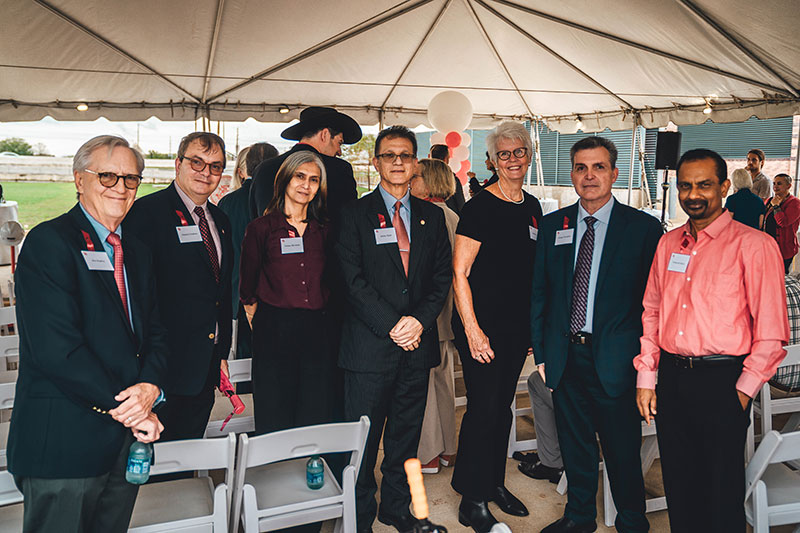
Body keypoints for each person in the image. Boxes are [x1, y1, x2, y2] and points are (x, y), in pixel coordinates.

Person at [9, 135, 166, 532]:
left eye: (131, 179)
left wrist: (150, 386)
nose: (121, 187)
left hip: (125, 446)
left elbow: (158, 333)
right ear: (80, 180)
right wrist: (131, 409)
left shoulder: (139, 251)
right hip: (64, 443)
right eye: (108, 176)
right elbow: (56, 350)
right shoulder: (49, 242)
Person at [634, 148, 789, 533]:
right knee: (680, 487)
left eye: (704, 184)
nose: (693, 194)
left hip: (724, 381)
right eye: (685, 186)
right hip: (672, 377)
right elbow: (652, 312)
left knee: (720, 493)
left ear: (724, 187)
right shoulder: (668, 244)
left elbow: (771, 332)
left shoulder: (754, 245)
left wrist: (742, 391)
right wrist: (647, 377)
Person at [531, 136, 661, 533]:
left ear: (614, 174)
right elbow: (541, 293)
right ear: (571, 174)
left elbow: (656, 303)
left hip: (618, 362)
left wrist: (646, 365)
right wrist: (541, 353)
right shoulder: (555, 225)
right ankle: (579, 517)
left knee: (622, 448)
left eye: (599, 167)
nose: (590, 176)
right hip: (565, 356)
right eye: (581, 168)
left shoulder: (642, 229)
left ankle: (633, 521)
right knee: (575, 445)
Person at [335, 126, 451, 533]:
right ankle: (360, 519)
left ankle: (401, 511)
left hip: (416, 348)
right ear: (376, 161)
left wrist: (417, 321)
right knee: (363, 445)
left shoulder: (432, 217)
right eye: (389, 155)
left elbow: (441, 279)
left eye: (405, 155)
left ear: (415, 163)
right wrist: (393, 325)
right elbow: (350, 281)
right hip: (368, 349)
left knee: (406, 439)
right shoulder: (351, 214)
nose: (398, 162)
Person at [451, 121, 543, 533]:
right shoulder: (479, 207)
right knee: (483, 409)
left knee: (501, 408)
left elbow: (530, 273)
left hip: (514, 329)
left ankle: (494, 483)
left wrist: (530, 331)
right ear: (492, 160)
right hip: (481, 328)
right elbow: (459, 272)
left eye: (518, 151)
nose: (511, 160)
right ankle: (472, 499)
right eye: (503, 154)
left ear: (529, 155)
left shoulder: (533, 206)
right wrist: (472, 330)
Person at [125, 132, 233, 443]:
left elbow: (220, 294)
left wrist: (221, 352)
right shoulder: (146, 214)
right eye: (197, 162)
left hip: (204, 367)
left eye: (215, 166)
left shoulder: (221, 220)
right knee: (155, 464)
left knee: (188, 457)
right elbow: (137, 294)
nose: (206, 172)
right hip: (162, 368)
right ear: (178, 164)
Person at [239, 150, 333, 436]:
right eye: (300, 177)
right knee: (274, 410)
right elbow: (247, 286)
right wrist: (262, 322)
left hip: (318, 332)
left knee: (314, 409)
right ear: (284, 180)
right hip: (274, 330)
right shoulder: (261, 229)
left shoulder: (325, 231)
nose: (306, 185)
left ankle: (309, 473)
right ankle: (273, 474)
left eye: (314, 180)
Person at [409, 158, 459, 475]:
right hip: (450, 313)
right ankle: (449, 450)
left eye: (415, 177)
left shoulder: (426, 216)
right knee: (444, 382)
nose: (410, 182)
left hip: (427, 312)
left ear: (429, 182)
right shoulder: (454, 215)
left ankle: (427, 453)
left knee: (423, 386)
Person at [218, 143, 279, 367]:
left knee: (243, 360)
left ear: (242, 170)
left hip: (237, 291)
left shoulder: (227, 203)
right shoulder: (281, 201)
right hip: (274, 294)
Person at [249, 106, 361, 225]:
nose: (339, 151)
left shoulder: (263, 169)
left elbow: (254, 219)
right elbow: (350, 221)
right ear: (325, 135)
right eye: (339, 142)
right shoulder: (340, 170)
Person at [763, 173, 800, 273]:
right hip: (769, 247)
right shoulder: (769, 200)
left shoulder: (795, 203)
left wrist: (776, 207)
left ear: (789, 186)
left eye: (779, 184)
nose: (775, 186)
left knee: (780, 276)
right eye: (774, 183)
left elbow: (783, 222)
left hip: (784, 249)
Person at [429, 143, 466, 214]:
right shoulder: (452, 179)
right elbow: (461, 204)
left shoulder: (424, 178)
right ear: (446, 159)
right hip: (450, 217)